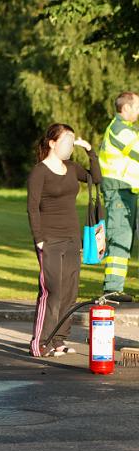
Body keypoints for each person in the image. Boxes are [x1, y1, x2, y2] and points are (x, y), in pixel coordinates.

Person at [27, 123, 102, 357]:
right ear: (52, 143)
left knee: (69, 292)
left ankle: (59, 339)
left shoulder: (71, 167)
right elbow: (32, 208)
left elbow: (96, 179)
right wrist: (39, 239)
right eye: (66, 142)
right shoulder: (40, 171)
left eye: (72, 143)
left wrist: (90, 152)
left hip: (72, 238)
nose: (70, 147)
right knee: (53, 291)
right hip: (49, 239)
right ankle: (40, 343)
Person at [99, 92, 139, 301]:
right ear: (126, 109)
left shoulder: (126, 130)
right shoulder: (119, 130)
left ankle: (114, 289)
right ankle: (112, 290)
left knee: (125, 238)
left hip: (126, 191)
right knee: (120, 238)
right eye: (137, 106)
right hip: (118, 192)